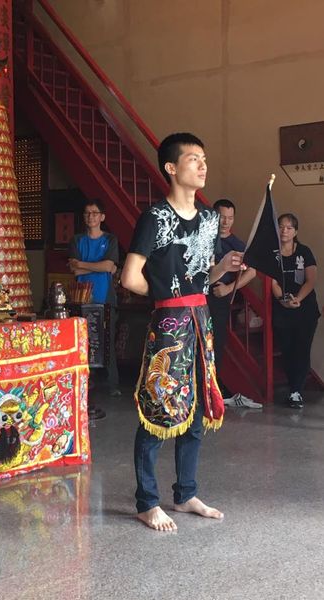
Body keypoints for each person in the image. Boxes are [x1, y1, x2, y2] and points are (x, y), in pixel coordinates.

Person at [121, 132, 244, 532]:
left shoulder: (209, 220)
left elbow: (201, 275)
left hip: (201, 320)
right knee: (160, 409)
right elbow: (130, 277)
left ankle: (185, 493)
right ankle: (146, 502)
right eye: (194, 158)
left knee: (197, 410)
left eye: (204, 158)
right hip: (170, 325)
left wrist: (223, 268)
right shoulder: (154, 218)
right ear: (171, 168)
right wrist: (166, 296)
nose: (202, 165)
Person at [207, 199, 260, 408]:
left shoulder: (236, 245)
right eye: (222, 217)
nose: (226, 222)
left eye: (230, 218)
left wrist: (228, 289)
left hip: (218, 298)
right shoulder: (204, 237)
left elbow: (252, 272)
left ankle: (213, 391)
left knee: (216, 344)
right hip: (196, 296)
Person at [68, 199, 120, 401]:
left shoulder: (110, 239)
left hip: (105, 297)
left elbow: (109, 266)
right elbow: (75, 270)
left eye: (95, 213)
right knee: (83, 342)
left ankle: (113, 384)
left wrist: (83, 265)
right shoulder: (77, 240)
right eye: (87, 213)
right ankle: (85, 383)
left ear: (102, 217)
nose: (91, 216)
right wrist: (101, 266)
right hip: (81, 297)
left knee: (107, 341)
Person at [272, 213, 320, 409]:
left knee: (302, 349)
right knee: (287, 349)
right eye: (281, 226)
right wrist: (283, 300)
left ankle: (296, 391)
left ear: (295, 231)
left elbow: (311, 279)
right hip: (282, 309)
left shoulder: (304, 251)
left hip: (305, 309)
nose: (284, 231)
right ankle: (293, 387)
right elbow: (272, 282)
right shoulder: (272, 254)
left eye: (289, 227)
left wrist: (298, 299)